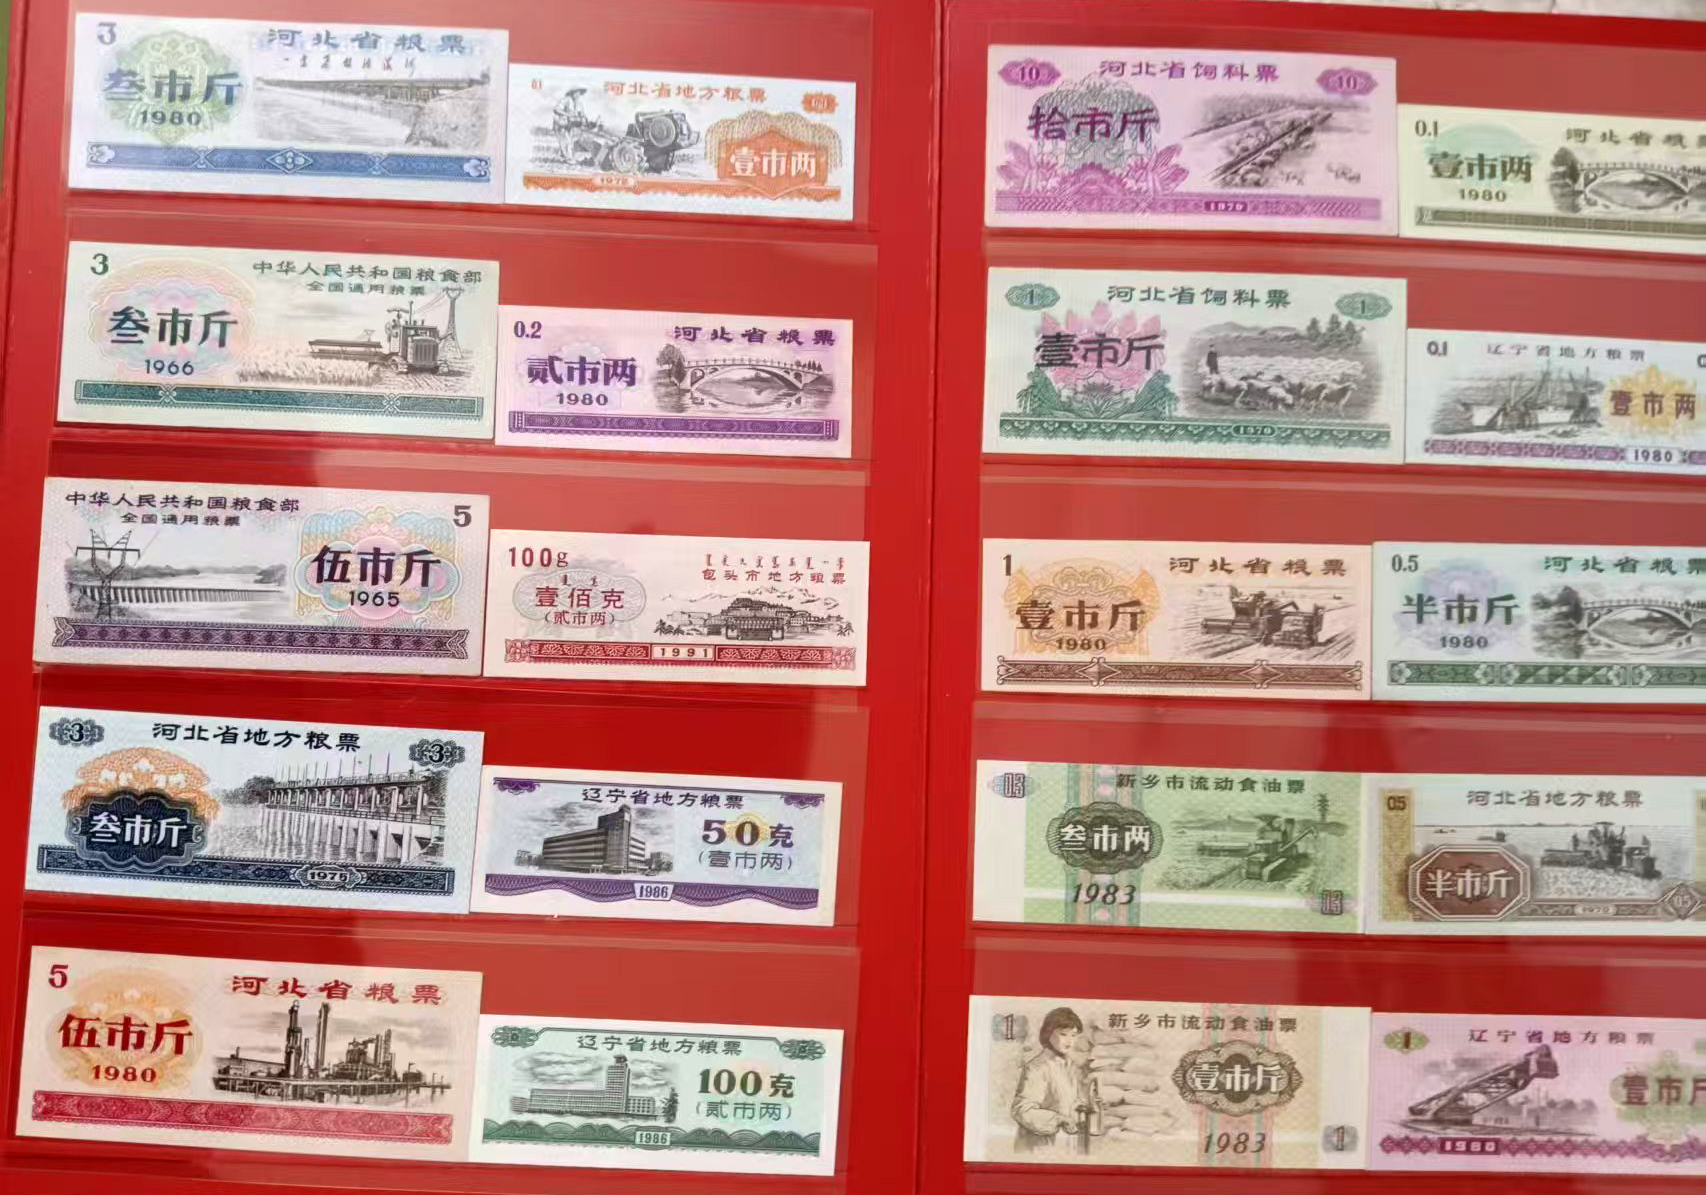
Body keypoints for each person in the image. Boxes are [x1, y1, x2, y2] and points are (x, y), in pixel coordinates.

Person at [1010, 1006, 1086, 1152]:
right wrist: (1058, 1119)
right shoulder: (1037, 1067)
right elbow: (1021, 1110)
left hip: (1061, 1145)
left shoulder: (1069, 1066)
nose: (1069, 1040)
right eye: (1063, 1034)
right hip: (1036, 1145)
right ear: (1048, 1033)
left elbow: (1068, 1101)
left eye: (1073, 1035)